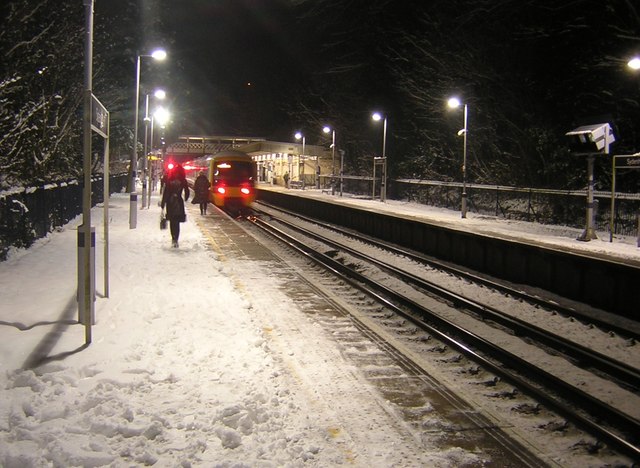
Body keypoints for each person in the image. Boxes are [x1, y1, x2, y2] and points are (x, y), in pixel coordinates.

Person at [161, 164, 189, 248]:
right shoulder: (183, 180)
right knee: (177, 222)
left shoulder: (170, 180)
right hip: (179, 202)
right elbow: (187, 192)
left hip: (170, 202)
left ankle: (173, 238)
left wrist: (163, 203)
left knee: (172, 221)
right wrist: (185, 198)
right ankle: (176, 238)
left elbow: (166, 192)